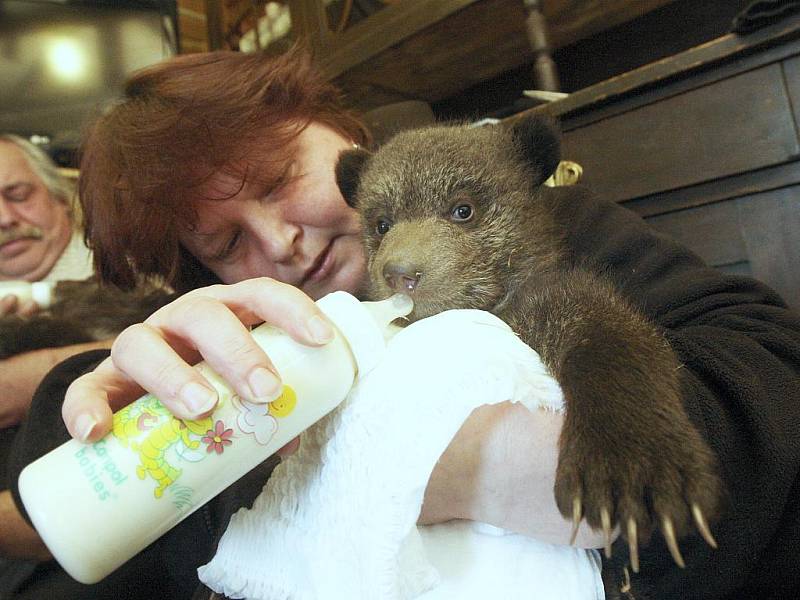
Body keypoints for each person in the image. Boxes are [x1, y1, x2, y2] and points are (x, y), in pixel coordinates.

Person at [5, 46, 800, 600]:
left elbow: (767, 382)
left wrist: (432, 463)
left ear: (343, 137)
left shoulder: (534, 222)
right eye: (227, 242)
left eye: (282, 180)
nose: (280, 240)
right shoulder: (238, 333)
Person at [0, 136, 102, 573]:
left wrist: (32, 376)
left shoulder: (129, 268)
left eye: (18, 195)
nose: (4, 219)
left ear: (60, 196)